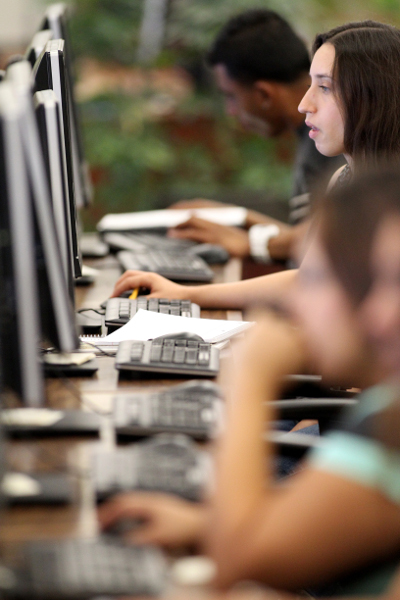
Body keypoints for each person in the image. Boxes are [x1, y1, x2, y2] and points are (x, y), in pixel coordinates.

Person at [100, 168, 400, 596]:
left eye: (316, 279)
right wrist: (206, 523)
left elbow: (236, 566)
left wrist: (249, 377)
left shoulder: (387, 431)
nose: (296, 300)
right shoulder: (383, 412)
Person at [111, 20, 400, 308]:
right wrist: (185, 294)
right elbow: (306, 280)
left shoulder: (388, 203)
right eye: (311, 84)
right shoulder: (345, 178)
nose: (304, 104)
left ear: (372, 97)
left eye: (324, 87)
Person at [165, 9, 344, 263]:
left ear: (264, 95)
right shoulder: (313, 138)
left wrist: (249, 241)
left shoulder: (333, 142)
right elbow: (308, 232)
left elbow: (328, 240)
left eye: (231, 96)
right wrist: (239, 217)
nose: (231, 111)